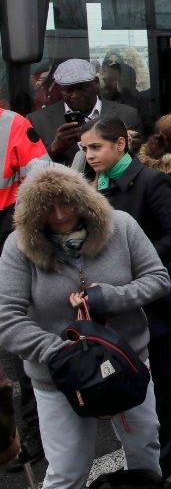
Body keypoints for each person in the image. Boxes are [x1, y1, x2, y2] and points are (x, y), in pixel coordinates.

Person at [0, 165, 170, 489]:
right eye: (48, 208)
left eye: (68, 202)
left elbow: (158, 279)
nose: (61, 215)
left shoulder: (121, 226)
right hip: (59, 378)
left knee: (145, 451)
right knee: (67, 472)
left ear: (85, 200)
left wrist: (108, 298)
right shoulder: (18, 248)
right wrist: (62, 353)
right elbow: (7, 319)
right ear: (33, 214)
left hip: (126, 363)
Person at [79, 117, 171, 479]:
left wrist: (136, 263)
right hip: (111, 302)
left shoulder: (149, 181)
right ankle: (143, 453)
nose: (89, 155)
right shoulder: (90, 183)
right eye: (84, 148)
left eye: (96, 147)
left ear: (119, 145)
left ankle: (168, 460)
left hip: (151, 298)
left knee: (159, 378)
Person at [0, 106, 51, 475]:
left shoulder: (12, 124)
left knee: (21, 353)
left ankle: (33, 445)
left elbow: (43, 180)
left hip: (11, 234)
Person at [28, 59, 142, 167]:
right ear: (59, 89)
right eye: (68, 90)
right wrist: (53, 149)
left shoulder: (127, 116)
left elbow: (137, 162)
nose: (75, 95)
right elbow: (29, 168)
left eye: (81, 88)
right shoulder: (38, 121)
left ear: (96, 84)